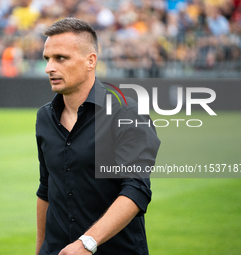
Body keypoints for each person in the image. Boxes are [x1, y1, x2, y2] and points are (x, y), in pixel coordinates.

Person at [35, 17, 160, 255]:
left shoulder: (127, 112)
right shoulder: (45, 117)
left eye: (61, 58)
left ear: (90, 61)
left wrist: (87, 243)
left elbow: (136, 189)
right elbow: (46, 189)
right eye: (47, 59)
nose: (49, 67)